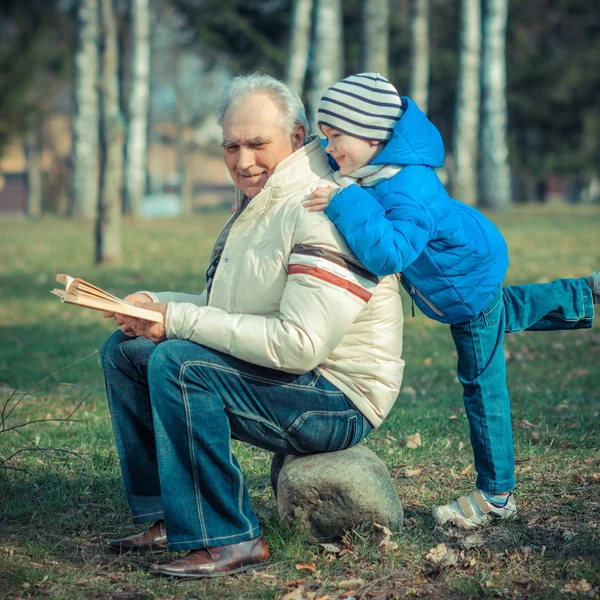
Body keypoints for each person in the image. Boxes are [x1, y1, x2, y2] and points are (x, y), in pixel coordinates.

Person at [99, 73, 404, 578]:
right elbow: (234, 309)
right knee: (129, 351)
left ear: (299, 135)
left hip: (339, 396)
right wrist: (157, 306)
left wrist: (177, 322)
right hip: (293, 376)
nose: (243, 161)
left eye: (258, 144)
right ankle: (165, 517)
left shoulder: (320, 206)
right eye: (231, 146)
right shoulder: (261, 203)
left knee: (180, 363)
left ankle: (228, 538)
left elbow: (300, 345)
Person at [304, 72, 598, 529]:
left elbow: (389, 253)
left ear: (373, 134)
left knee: (482, 386)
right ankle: (588, 293)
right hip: (471, 266)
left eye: (336, 135)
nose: (328, 147)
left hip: (465, 285)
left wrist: (344, 200)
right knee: (505, 312)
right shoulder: (378, 167)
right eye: (324, 136)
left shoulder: (406, 187)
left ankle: (496, 494)